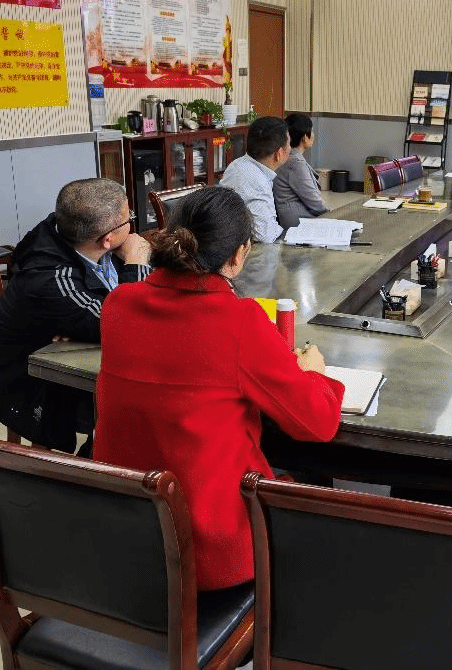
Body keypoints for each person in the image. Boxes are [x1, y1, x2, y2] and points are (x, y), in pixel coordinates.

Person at [94, 186, 344, 591]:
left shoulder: (118, 303)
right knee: (314, 485)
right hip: (208, 554)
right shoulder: (240, 320)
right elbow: (317, 423)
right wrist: (315, 372)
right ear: (238, 255)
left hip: (125, 535)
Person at [0, 178, 151, 453]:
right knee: (138, 396)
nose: (132, 224)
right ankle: (94, 466)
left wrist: (84, 323)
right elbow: (127, 324)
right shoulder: (50, 278)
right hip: (30, 380)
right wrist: (137, 264)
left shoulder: (77, 233)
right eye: (128, 218)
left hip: (68, 353)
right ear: (107, 239)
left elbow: (111, 316)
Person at [220, 116, 290, 243]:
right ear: (279, 154)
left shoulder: (237, 164)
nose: (290, 149)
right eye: (289, 144)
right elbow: (265, 236)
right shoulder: (257, 180)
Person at [273, 113, 328, 229]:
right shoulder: (295, 163)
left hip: (293, 218)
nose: (313, 135)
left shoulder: (289, 157)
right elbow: (313, 201)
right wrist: (332, 215)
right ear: (304, 137)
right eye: (311, 131)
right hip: (299, 222)